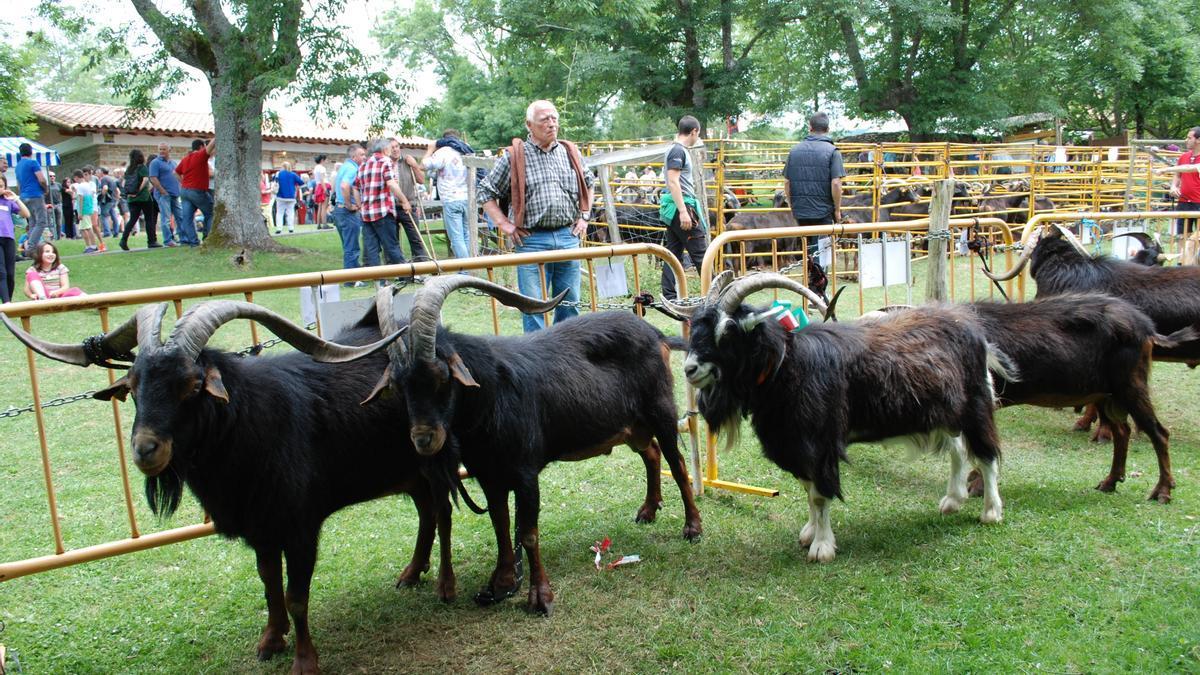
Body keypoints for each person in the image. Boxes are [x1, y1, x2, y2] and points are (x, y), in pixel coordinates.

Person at [479, 99, 595, 332]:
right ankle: (537, 362)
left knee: (570, 306)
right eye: (545, 120)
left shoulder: (569, 152)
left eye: (555, 119)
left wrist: (584, 216)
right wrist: (504, 224)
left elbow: (590, 183)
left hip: (567, 237)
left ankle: (569, 357)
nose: (552, 124)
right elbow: (485, 191)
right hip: (531, 240)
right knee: (533, 308)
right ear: (529, 125)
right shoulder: (514, 156)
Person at [783, 111, 845, 271]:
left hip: (801, 211)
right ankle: (818, 287)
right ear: (828, 128)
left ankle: (811, 283)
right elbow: (836, 183)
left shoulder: (794, 151)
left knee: (808, 249)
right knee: (821, 252)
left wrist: (792, 205)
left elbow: (787, 182)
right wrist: (837, 210)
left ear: (810, 127)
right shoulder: (833, 151)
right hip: (823, 211)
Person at [659, 115, 709, 300]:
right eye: (698, 133)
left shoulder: (674, 149)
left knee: (673, 253)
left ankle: (669, 297)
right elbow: (673, 181)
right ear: (694, 131)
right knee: (701, 254)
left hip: (677, 208)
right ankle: (716, 295)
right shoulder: (678, 151)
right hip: (683, 208)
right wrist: (683, 211)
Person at [354, 138, 408, 274]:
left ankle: (379, 280)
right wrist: (404, 200)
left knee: (372, 249)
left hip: (366, 214)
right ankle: (405, 275)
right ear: (385, 150)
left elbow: (355, 187)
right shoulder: (385, 161)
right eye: (390, 148)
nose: (391, 151)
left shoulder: (363, 165)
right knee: (391, 245)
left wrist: (360, 205)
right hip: (383, 211)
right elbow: (391, 183)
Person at [423, 129, 472, 259]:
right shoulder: (466, 149)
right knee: (466, 236)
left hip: (451, 198)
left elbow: (425, 165)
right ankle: (469, 268)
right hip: (467, 197)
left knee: (456, 238)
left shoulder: (443, 152)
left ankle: (465, 271)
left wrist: (430, 149)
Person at [330, 143, 366, 286]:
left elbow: (335, 185)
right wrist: (349, 204)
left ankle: (352, 277)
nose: (364, 157)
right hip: (346, 211)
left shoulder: (344, 167)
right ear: (353, 156)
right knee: (352, 246)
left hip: (338, 211)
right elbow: (345, 186)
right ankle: (352, 280)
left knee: (347, 245)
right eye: (362, 155)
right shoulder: (352, 169)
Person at [389, 139, 430, 261]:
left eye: (397, 146)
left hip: (408, 205)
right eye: (392, 147)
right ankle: (396, 268)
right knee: (392, 240)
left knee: (415, 238)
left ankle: (421, 265)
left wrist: (415, 165)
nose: (395, 149)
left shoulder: (407, 161)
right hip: (390, 207)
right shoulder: (385, 163)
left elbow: (422, 180)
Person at [175, 138, 216, 242]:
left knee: (187, 218)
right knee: (210, 213)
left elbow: (175, 172)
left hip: (184, 191)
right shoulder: (200, 155)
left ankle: (193, 242)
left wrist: (183, 182)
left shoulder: (185, 159)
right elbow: (211, 145)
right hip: (197, 190)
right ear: (202, 147)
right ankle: (207, 237)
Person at [15, 143, 51, 256]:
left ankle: (30, 249)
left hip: (24, 196)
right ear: (31, 152)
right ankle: (31, 248)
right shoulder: (33, 162)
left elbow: (18, 184)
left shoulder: (18, 166)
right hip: (35, 194)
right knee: (41, 222)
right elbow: (41, 179)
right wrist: (45, 189)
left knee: (32, 222)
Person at [121, 148, 160, 249]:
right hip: (144, 198)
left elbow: (123, 183)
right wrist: (138, 191)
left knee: (133, 219)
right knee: (149, 219)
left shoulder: (129, 169)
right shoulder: (142, 168)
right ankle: (151, 241)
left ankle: (123, 240)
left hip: (131, 199)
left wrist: (129, 193)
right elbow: (146, 180)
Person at [0, 176, 30, 303]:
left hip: (8, 239)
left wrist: (16, 198)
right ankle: (6, 304)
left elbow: (26, 214)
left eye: (1, 186)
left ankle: (9, 302)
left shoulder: (7, 201)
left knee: (10, 274)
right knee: (1, 273)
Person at [149, 143, 183, 246]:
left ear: (169, 150)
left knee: (180, 217)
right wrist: (162, 191)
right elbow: (153, 178)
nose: (162, 151)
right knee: (166, 218)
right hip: (164, 195)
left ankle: (183, 238)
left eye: (164, 149)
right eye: (160, 149)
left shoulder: (173, 163)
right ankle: (168, 240)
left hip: (175, 194)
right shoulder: (155, 163)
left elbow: (178, 176)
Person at [1169, 126, 1200, 236]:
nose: (1186, 140)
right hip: (1183, 202)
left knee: (1197, 238)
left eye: (1189, 138)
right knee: (1182, 236)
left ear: (1198, 140)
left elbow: (1188, 169)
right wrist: (1173, 187)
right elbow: (1177, 174)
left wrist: (1164, 169)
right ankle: (1183, 254)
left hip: (1198, 203)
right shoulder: (1183, 157)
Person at [73, 169, 101, 253]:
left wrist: (80, 212)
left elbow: (80, 199)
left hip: (84, 210)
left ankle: (91, 246)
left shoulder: (80, 186)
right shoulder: (87, 185)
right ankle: (91, 246)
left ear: (76, 177)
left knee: (86, 228)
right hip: (89, 208)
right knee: (85, 227)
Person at [273, 162, 303, 234]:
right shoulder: (293, 174)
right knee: (290, 212)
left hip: (280, 196)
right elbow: (301, 182)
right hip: (291, 197)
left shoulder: (278, 174)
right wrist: (296, 187)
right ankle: (291, 228)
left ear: (282, 166)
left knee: (280, 213)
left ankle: (279, 228)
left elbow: (274, 181)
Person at [97, 167, 121, 238]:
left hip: (107, 201)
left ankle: (107, 232)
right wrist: (117, 198)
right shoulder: (112, 179)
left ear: (102, 172)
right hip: (113, 200)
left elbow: (105, 188)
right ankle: (116, 232)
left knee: (104, 216)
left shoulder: (104, 179)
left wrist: (101, 197)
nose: (98, 173)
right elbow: (117, 190)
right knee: (114, 216)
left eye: (99, 172)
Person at [312, 154, 331, 227]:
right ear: (322, 160)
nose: (327, 161)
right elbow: (322, 179)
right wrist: (325, 189)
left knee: (320, 206)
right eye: (326, 159)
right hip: (323, 186)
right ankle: (325, 224)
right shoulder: (322, 168)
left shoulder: (316, 167)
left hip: (318, 186)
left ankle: (319, 224)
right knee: (324, 206)